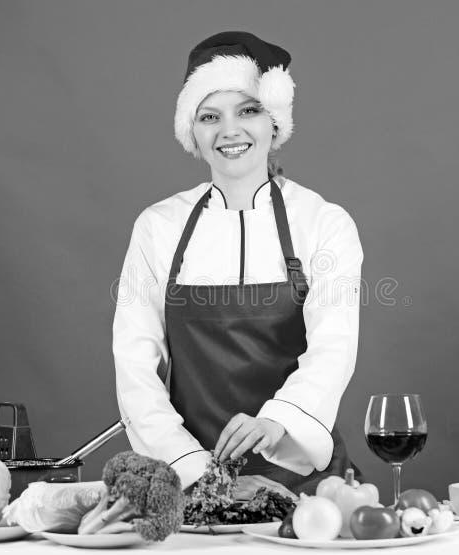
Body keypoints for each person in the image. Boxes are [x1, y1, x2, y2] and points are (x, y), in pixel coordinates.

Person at [113, 31, 363, 498]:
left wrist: (277, 420)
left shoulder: (324, 223)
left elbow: (333, 348)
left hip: (307, 489)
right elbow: (135, 369)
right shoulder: (158, 227)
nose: (229, 131)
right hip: (193, 485)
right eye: (210, 117)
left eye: (247, 110)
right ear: (194, 133)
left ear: (274, 123)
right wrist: (191, 469)